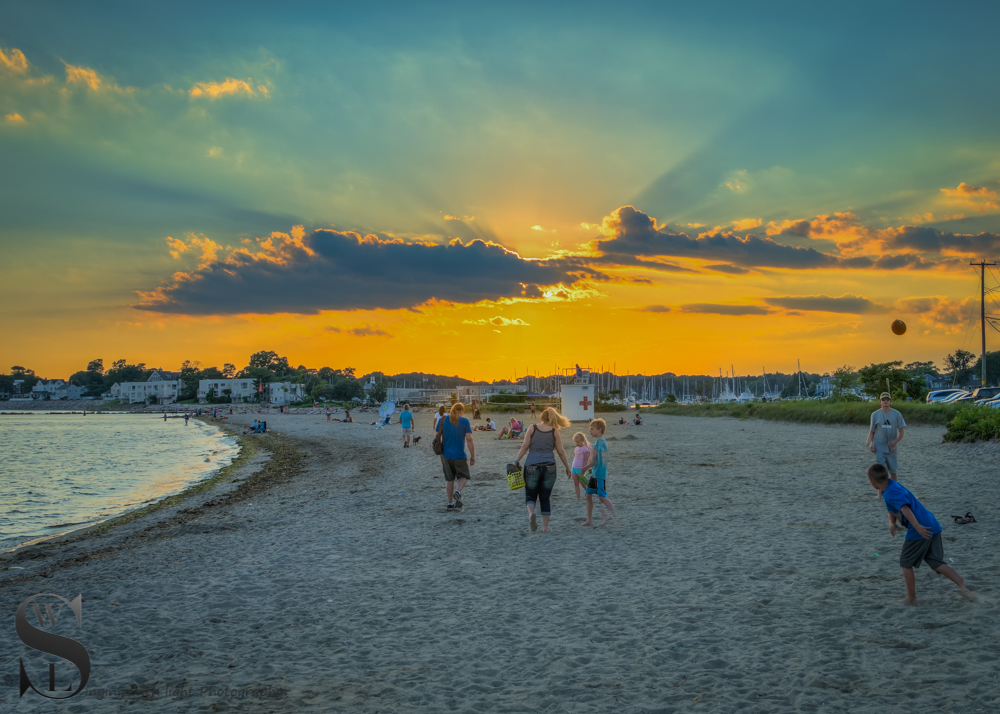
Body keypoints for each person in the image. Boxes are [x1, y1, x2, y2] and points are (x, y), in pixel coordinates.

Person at [866, 463, 966, 605]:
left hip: (920, 527)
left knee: (905, 562)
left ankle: (911, 599)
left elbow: (904, 508)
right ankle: (959, 580)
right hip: (932, 523)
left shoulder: (890, 493)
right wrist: (891, 523)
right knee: (935, 561)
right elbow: (892, 509)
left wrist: (917, 527)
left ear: (872, 481)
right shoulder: (891, 485)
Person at [513, 407, 572, 532]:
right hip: (549, 466)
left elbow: (524, 446)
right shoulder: (554, 431)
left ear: (541, 418)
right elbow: (561, 451)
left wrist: (516, 461)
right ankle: (545, 527)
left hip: (532, 465)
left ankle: (531, 515)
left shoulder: (532, 428)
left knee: (530, 495)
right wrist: (567, 467)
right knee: (545, 497)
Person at [436, 403, 475, 509]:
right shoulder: (465, 421)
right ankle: (458, 492)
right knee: (464, 476)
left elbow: (437, 436)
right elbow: (469, 439)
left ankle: (450, 503)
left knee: (449, 479)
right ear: (461, 411)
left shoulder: (442, 420)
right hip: (459, 455)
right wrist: (473, 455)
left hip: (445, 455)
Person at [583, 418, 615, 527]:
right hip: (596, 473)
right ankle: (589, 520)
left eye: (592, 429)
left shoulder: (600, 441)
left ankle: (612, 516)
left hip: (599, 474)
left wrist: (585, 467)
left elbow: (597, 460)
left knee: (602, 497)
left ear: (599, 430)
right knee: (588, 495)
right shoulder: (600, 441)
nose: (590, 431)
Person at [867, 392, 906, 481]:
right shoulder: (875, 414)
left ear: (890, 402)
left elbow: (902, 431)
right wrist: (871, 443)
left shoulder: (897, 414)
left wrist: (895, 442)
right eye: (883, 399)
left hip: (891, 448)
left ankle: (894, 492)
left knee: (893, 471)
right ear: (880, 401)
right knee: (881, 471)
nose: (885, 401)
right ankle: (880, 494)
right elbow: (872, 431)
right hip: (879, 446)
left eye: (887, 399)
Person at [569, 431, 591, 501]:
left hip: (580, 469)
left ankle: (588, 495)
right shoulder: (576, 448)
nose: (576, 443)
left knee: (583, 483)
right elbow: (575, 458)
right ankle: (578, 498)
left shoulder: (585, 449)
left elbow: (586, 460)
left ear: (582, 441)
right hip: (574, 468)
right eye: (575, 442)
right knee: (576, 483)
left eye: (578, 442)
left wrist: (584, 469)